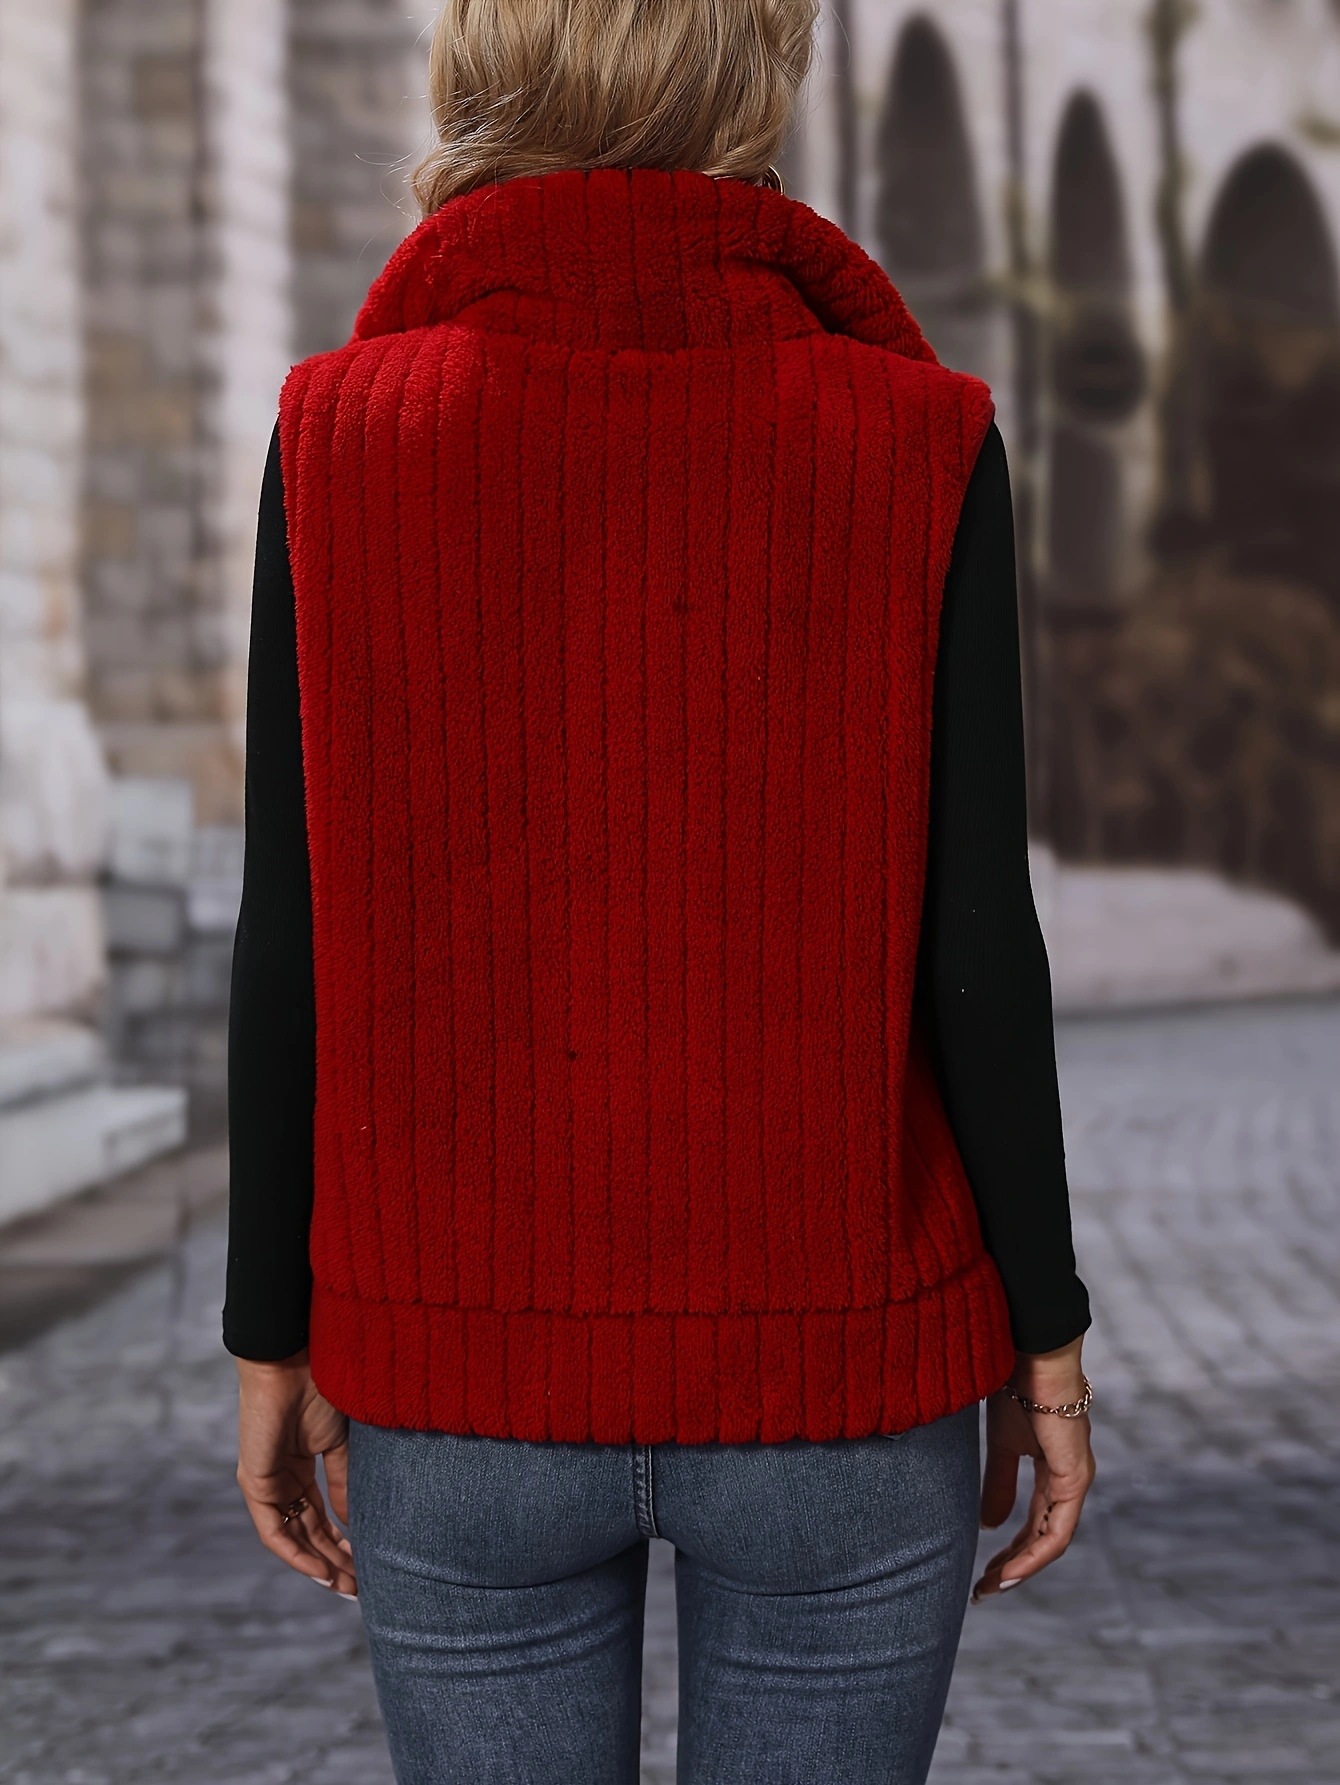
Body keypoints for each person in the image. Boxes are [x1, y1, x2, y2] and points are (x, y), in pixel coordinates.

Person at [224, 3, 1096, 1780]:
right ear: (755, 79)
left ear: (482, 75)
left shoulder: (337, 436)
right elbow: (979, 944)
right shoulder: (917, 437)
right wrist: (1047, 1341)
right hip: (840, 1378)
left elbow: (287, 930)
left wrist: (268, 1335)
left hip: (459, 1382)